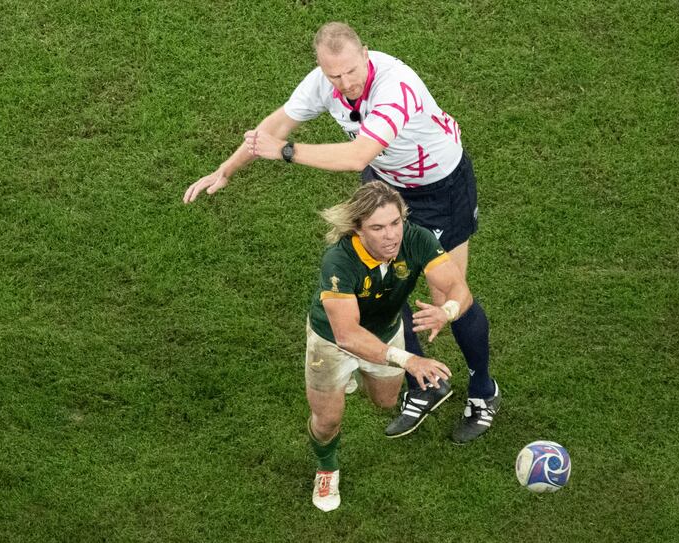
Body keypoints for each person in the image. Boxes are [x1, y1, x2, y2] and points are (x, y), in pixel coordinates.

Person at [183, 22, 499, 444]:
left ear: (366, 54)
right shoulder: (322, 82)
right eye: (334, 75)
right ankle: (425, 381)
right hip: (386, 186)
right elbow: (274, 127)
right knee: (389, 280)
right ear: (321, 68)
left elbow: (357, 154)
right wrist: (225, 170)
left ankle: (483, 390)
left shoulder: (394, 85)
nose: (345, 82)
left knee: (448, 297)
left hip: (440, 188)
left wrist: (288, 153)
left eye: (351, 71)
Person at [303, 181, 470, 511]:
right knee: (327, 422)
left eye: (395, 223)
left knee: (385, 401)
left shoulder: (416, 238)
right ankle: (327, 467)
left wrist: (446, 311)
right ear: (358, 229)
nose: (391, 235)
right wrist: (409, 361)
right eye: (378, 228)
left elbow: (457, 287)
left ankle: (355, 378)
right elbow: (347, 335)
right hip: (332, 341)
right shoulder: (339, 261)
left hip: (385, 332)